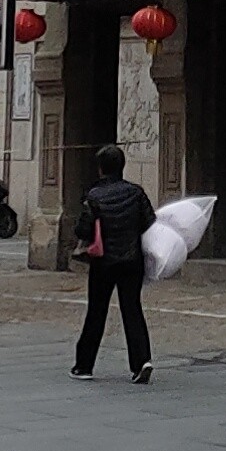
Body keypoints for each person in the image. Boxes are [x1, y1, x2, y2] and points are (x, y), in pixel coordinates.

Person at [69, 144, 154, 382]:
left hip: (103, 261)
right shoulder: (136, 193)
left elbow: (83, 229)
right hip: (131, 260)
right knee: (132, 309)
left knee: (96, 311)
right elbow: (149, 222)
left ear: (100, 169)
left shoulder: (94, 196)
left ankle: (84, 365)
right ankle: (142, 361)